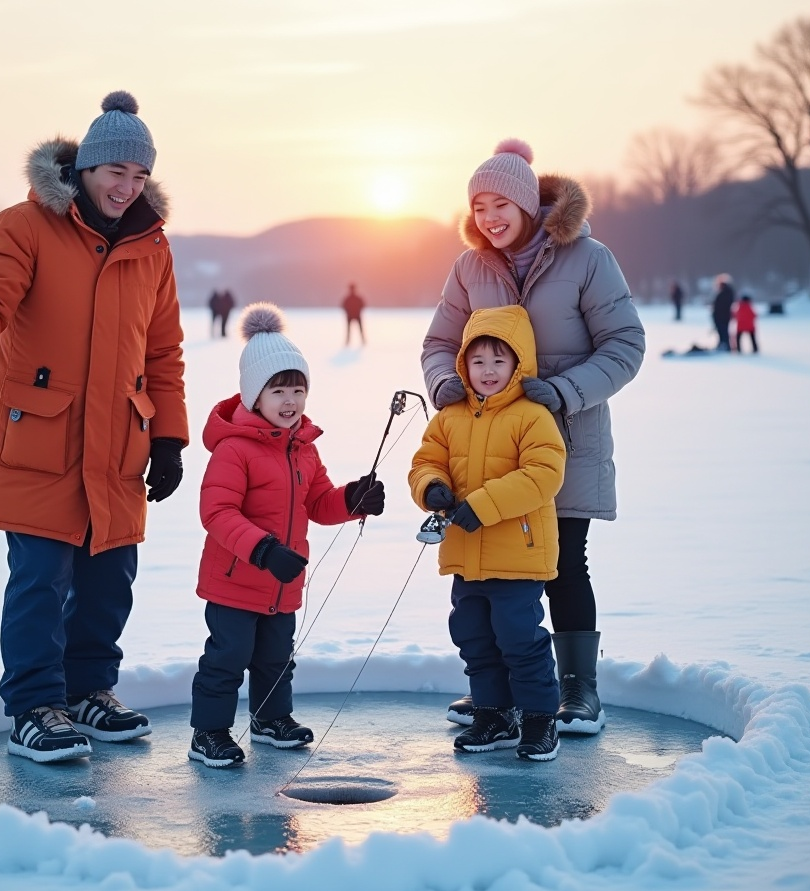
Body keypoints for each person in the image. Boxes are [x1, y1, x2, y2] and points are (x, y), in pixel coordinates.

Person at [0, 91, 189, 764]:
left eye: (139, 177)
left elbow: (162, 351)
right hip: (40, 438)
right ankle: (35, 706)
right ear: (86, 170)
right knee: (41, 578)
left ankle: (90, 691)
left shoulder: (152, 249)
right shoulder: (27, 225)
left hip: (118, 444)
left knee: (110, 577)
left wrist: (169, 437)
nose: (127, 187)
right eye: (115, 174)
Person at [421, 139, 645, 735]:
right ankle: (504, 692)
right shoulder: (470, 268)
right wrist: (444, 381)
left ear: (527, 203)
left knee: (564, 562)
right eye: (479, 206)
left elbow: (626, 345)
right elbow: (439, 344)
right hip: (487, 450)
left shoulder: (588, 258)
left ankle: (577, 689)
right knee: (492, 573)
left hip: (566, 442)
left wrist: (566, 391)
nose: (489, 218)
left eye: (500, 204)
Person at [189, 302, 385, 767]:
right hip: (237, 581)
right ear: (254, 396)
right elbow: (216, 512)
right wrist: (262, 549)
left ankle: (270, 719)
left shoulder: (304, 449)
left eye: (298, 389)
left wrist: (353, 499)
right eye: (278, 390)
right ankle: (209, 732)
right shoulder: (234, 450)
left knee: (277, 658)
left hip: (283, 583)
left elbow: (318, 503)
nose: (290, 401)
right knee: (227, 658)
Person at [410, 305, 567, 761]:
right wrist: (432, 489)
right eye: (478, 361)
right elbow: (426, 462)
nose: (488, 371)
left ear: (519, 364)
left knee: (520, 639)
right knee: (474, 635)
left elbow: (543, 474)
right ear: (463, 365)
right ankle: (494, 714)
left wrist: (482, 504)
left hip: (517, 554)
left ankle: (539, 719)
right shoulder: (449, 416)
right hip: (466, 554)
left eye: (500, 361)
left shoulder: (532, 415)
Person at [711, 274, 735, 352]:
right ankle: (722, 344)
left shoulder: (726, 293)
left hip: (722, 316)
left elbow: (722, 305)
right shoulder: (726, 292)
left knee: (723, 331)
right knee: (721, 331)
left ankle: (725, 345)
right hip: (721, 316)